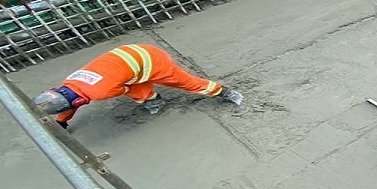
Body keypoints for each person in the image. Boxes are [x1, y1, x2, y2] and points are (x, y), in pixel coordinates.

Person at [33, 44, 242, 128]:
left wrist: (63, 121)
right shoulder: (70, 82)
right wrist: (62, 121)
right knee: (136, 89)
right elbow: (69, 105)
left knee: (187, 83)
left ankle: (225, 92)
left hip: (152, 61)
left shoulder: (99, 92)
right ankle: (155, 101)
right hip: (130, 53)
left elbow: (126, 89)